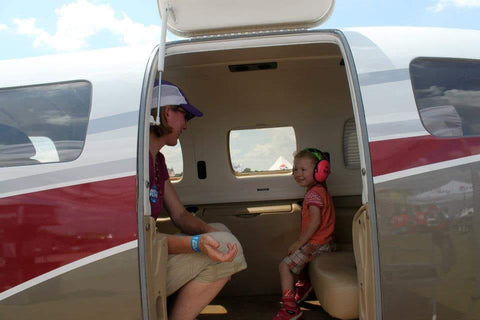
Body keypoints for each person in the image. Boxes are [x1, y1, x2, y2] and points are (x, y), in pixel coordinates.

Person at [149, 80, 247, 320]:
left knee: (221, 232)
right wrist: (198, 244)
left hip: (152, 250)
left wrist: (209, 232)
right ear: (168, 112)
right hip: (138, 263)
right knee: (224, 247)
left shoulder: (157, 162)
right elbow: (140, 240)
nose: (185, 126)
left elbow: (180, 215)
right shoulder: (134, 164)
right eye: (185, 117)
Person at [273, 148, 336, 320]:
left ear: (320, 171)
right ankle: (304, 286)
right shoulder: (321, 192)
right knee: (300, 264)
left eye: (303, 169)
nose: (297, 174)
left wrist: (299, 243)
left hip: (315, 245)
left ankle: (290, 308)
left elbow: (315, 223)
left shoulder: (313, 195)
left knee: (284, 266)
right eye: (295, 169)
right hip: (323, 243)